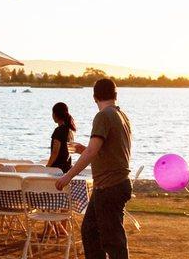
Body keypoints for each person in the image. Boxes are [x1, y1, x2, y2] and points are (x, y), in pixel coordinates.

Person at [55, 78, 132, 259]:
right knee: (90, 231)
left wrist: (68, 176)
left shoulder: (103, 116)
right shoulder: (121, 115)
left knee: (112, 240)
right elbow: (108, 150)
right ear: (115, 94)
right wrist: (85, 150)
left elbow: (91, 151)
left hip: (110, 186)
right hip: (110, 185)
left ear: (94, 97)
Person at [46, 102, 76, 173]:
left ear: (54, 114)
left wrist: (48, 166)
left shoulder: (58, 131)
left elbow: (55, 152)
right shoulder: (70, 130)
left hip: (57, 170)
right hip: (67, 168)